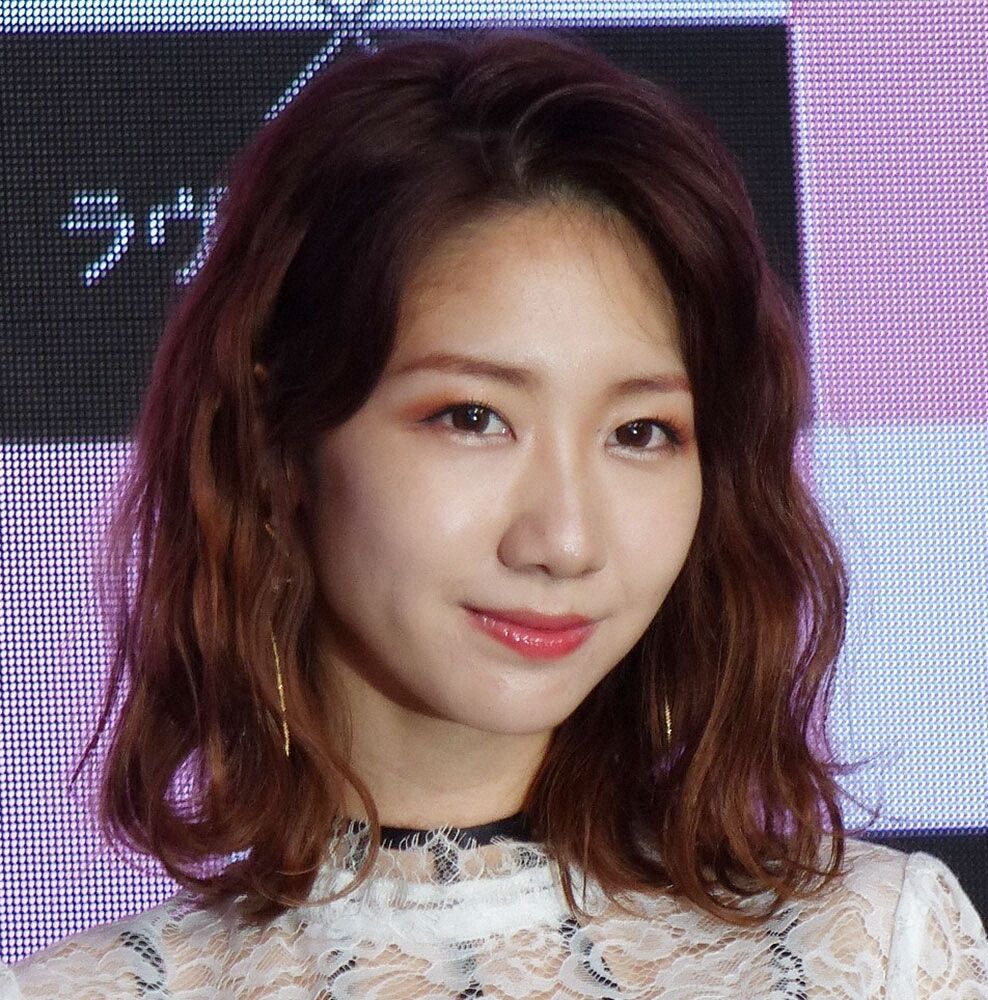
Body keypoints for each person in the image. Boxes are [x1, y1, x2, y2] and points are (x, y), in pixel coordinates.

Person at [3, 27, 986, 999]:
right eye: (473, 418)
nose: (564, 540)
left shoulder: (875, 949)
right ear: (278, 440)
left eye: (640, 431)